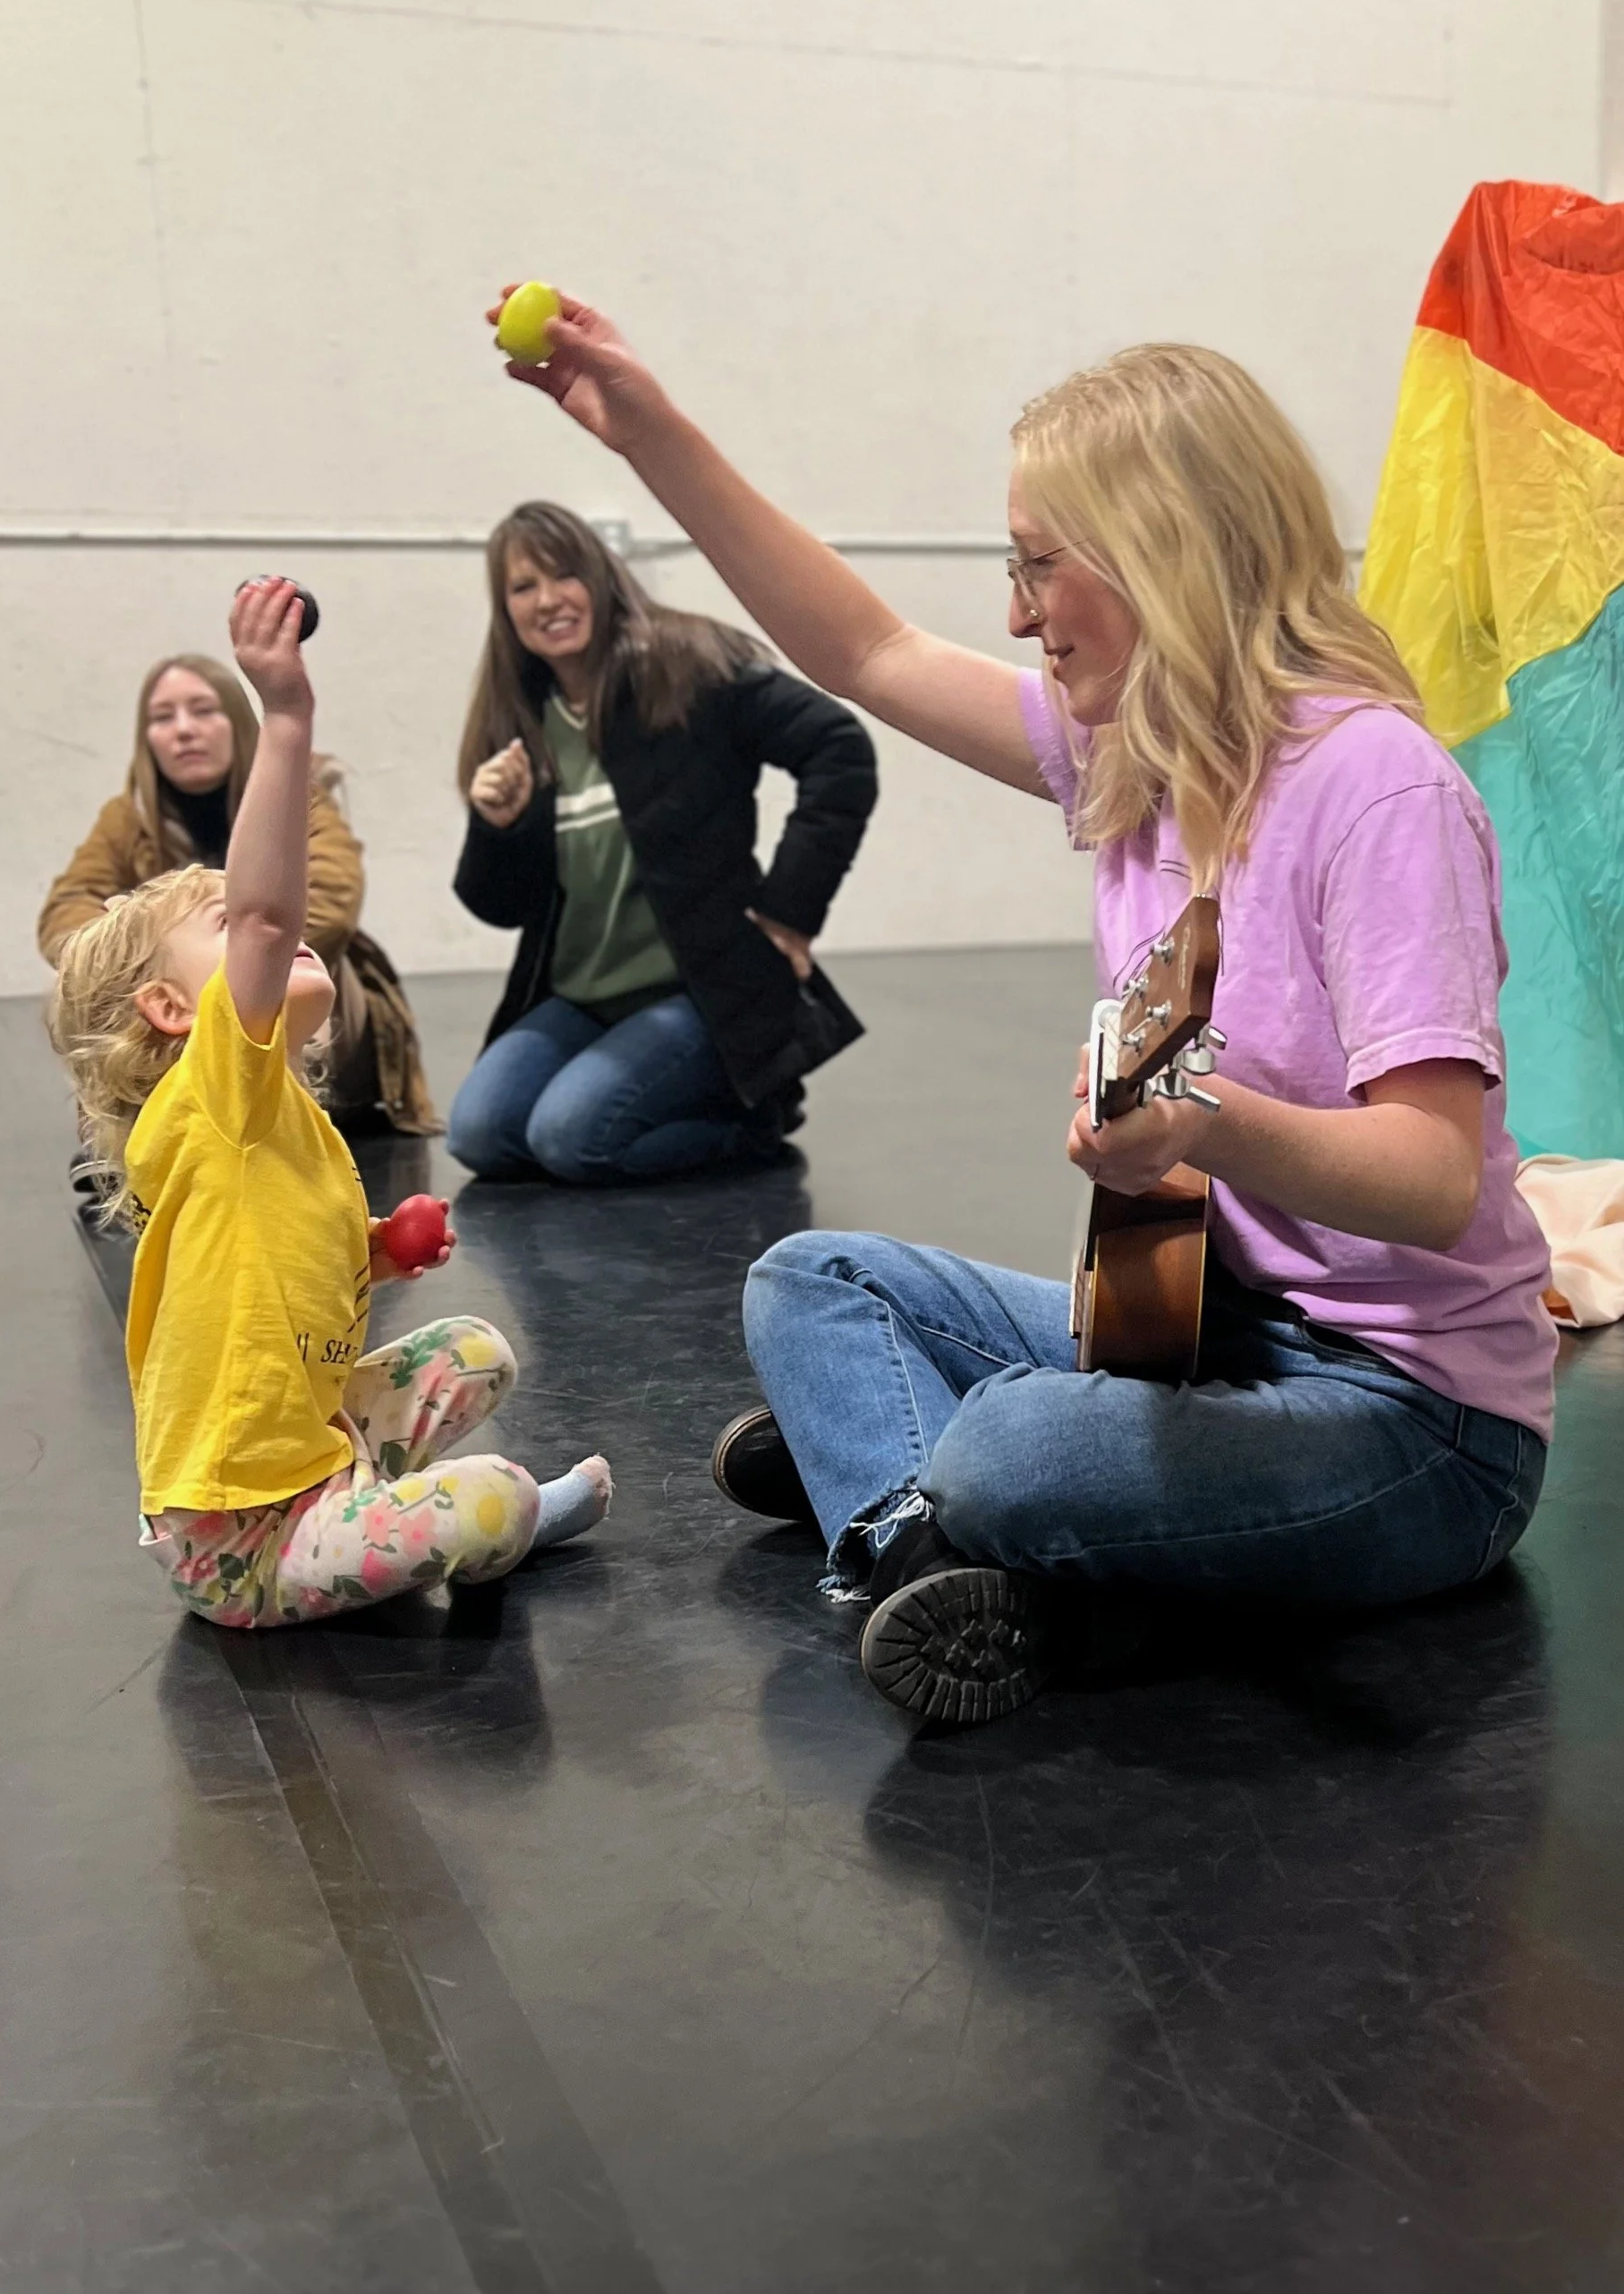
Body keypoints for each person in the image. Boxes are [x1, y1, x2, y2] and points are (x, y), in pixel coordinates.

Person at [493, 289, 1557, 1728]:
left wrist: (1202, 1123)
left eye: (1040, 564)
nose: (1014, 609)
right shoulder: (1138, 755)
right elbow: (862, 649)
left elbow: (1432, 1185)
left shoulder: (1378, 790)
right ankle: (919, 1534)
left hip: (1415, 1423)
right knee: (811, 1282)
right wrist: (652, 436)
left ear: (1162, 552)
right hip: (1200, 1333)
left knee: (1009, 1448)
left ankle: (910, 1485)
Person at [46, 577, 609, 1630]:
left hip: (312, 1445)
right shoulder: (218, 1094)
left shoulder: (274, 1118)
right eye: (226, 926)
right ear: (173, 1009)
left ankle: (383, 1506)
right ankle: (490, 1521)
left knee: (476, 1349)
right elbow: (269, 912)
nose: (267, 928)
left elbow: (287, 1251)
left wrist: (383, 1247)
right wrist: (286, 713)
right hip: (239, 1545)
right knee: (490, 1496)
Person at [447, 500, 878, 1184]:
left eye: (564, 575)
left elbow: (838, 748)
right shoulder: (521, 720)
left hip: (698, 991)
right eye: (523, 587)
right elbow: (502, 906)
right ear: (506, 612)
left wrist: (791, 910)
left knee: (568, 1139)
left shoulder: (689, 665)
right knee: (479, 1134)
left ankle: (751, 1118)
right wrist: (492, 826)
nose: (548, 600)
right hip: (584, 995)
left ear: (600, 575)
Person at [38, 650, 437, 1134]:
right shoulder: (128, 816)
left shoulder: (298, 794)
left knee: (301, 962)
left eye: (203, 710)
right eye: (163, 717)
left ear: (236, 721)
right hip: (187, 992)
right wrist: (127, 949)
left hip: (295, 983)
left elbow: (331, 901)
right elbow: (66, 907)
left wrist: (238, 950)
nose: (184, 729)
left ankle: (295, 1100)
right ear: (147, 739)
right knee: (95, 978)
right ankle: (125, 1131)